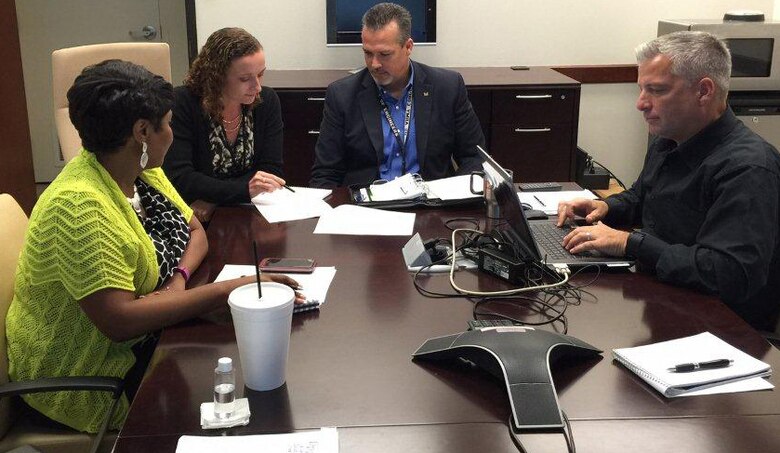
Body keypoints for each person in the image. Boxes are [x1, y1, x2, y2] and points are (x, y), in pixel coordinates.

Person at [6, 60, 302, 433]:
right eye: (168, 123)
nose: (173, 134)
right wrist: (231, 287)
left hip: (148, 341)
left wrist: (176, 281)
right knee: (244, 408)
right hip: (93, 376)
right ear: (142, 131)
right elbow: (120, 322)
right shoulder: (79, 205)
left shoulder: (138, 169)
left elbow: (196, 231)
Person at [556, 31, 780, 331]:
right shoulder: (671, 137)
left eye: (656, 90)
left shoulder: (748, 168)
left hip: (722, 329)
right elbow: (642, 197)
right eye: (641, 89)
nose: (640, 104)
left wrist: (631, 244)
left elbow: (729, 273)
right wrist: (605, 207)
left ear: (704, 91)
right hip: (665, 298)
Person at [309, 2, 485, 188]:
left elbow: (474, 159)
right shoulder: (342, 95)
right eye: (368, 53)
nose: (374, 64)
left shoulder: (448, 88)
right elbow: (325, 174)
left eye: (384, 54)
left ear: (408, 47)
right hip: (367, 209)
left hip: (431, 206)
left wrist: (454, 198)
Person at [163, 27, 285, 222]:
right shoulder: (183, 103)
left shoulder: (266, 101)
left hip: (249, 212)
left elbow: (270, 172)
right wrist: (243, 189)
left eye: (261, 74)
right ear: (216, 77)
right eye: (245, 79)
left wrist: (215, 199)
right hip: (194, 218)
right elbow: (180, 178)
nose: (257, 86)